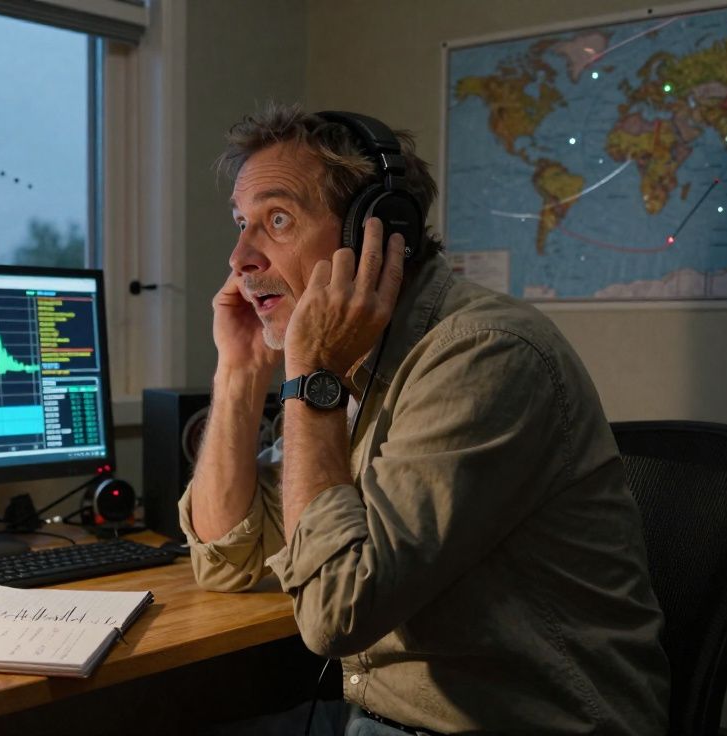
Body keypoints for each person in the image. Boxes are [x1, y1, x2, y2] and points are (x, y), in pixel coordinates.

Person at [177, 102, 671, 735]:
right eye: (242, 224)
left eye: (277, 220)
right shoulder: (353, 364)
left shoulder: (483, 353)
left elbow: (335, 615)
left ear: (375, 231)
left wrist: (311, 377)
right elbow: (226, 559)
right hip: (383, 715)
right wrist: (240, 373)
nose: (240, 257)